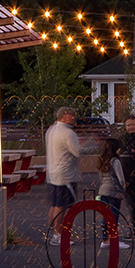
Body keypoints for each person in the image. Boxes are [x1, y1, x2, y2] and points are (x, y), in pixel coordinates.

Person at [45, 105, 82, 245]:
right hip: (65, 175)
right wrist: (95, 146)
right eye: (71, 115)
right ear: (64, 116)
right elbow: (77, 151)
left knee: (55, 204)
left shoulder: (51, 130)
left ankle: (52, 233)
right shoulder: (68, 133)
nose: (74, 117)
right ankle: (57, 235)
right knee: (62, 206)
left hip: (53, 174)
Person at [94, 136, 131, 250]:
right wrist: (124, 189)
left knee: (106, 217)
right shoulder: (115, 161)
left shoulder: (102, 160)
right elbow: (121, 179)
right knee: (113, 217)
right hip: (114, 193)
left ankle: (105, 240)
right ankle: (114, 240)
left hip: (103, 192)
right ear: (116, 149)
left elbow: (100, 178)